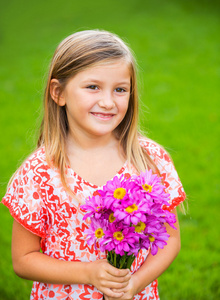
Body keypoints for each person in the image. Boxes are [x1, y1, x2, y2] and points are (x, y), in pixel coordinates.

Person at [2, 29, 186, 300]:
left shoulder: (150, 161)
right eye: (93, 87)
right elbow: (23, 259)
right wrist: (88, 273)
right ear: (58, 92)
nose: (108, 102)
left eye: (120, 89)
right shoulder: (38, 174)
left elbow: (169, 239)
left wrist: (134, 284)